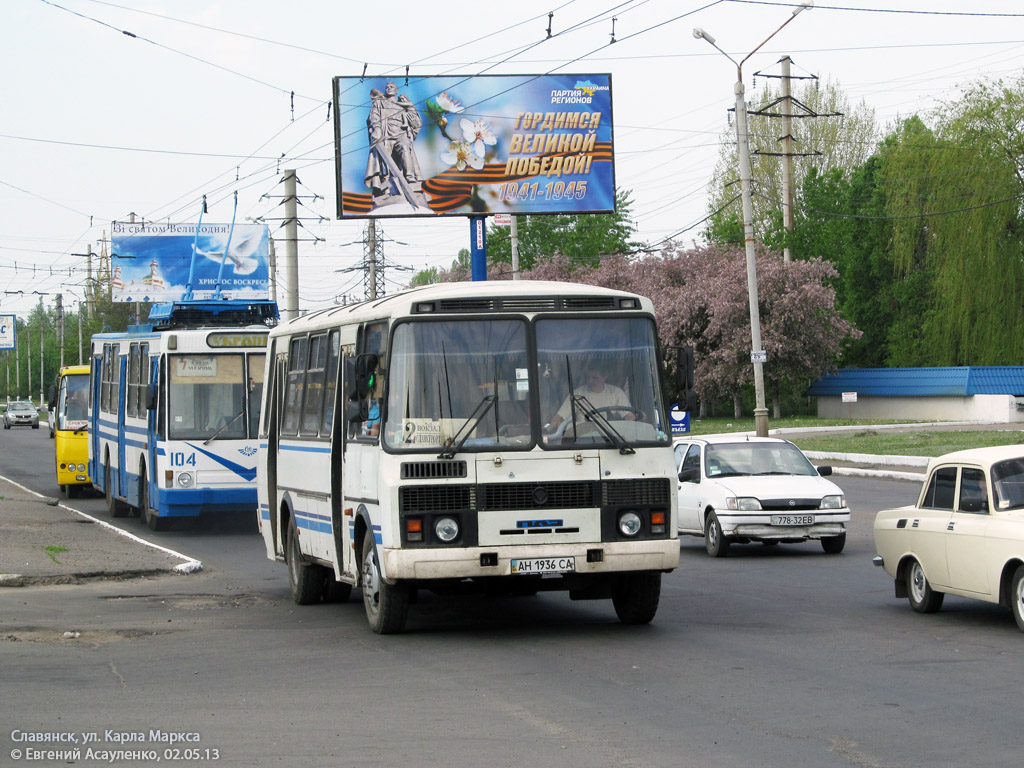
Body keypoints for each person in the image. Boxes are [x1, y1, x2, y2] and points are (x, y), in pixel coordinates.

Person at [364, 82, 427, 208]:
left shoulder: (403, 105)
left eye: (391, 86)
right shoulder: (380, 103)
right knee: (385, 165)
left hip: (400, 135)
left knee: (405, 147)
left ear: (396, 90)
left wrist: (412, 113)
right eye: (387, 87)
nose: (389, 88)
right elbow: (374, 117)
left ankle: (409, 179)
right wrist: (376, 129)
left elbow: (415, 121)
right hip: (386, 136)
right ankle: (386, 189)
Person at [548, 364, 635, 433]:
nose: (590, 381)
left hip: (611, 438)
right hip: (583, 438)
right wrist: (556, 423)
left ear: (605, 377)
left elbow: (629, 416)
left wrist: (631, 420)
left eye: (595, 378)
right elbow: (559, 417)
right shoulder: (577, 394)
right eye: (588, 377)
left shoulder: (616, 393)